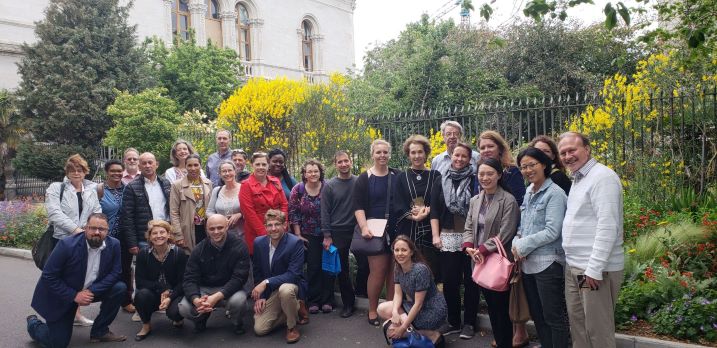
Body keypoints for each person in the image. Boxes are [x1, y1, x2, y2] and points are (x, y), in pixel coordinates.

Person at [558, 132, 624, 348]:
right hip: (575, 266)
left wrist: (594, 269)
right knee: (579, 327)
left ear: (587, 149)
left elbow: (608, 226)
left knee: (598, 331)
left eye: (572, 150)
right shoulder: (579, 178)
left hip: (594, 270)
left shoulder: (602, 177)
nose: (568, 156)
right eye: (563, 152)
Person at [27, 213, 127, 347]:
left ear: (107, 231)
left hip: (90, 290)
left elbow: (116, 273)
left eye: (102, 229)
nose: (97, 232)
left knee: (119, 288)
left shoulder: (114, 244)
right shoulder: (66, 245)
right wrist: (74, 295)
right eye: (93, 228)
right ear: (85, 228)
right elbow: (48, 276)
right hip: (63, 295)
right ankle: (34, 324)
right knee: (58, 343)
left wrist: (91, 291)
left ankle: (100, 331)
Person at [512, 147, 570, 348]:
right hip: (528, 264)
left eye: (531, 165)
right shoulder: (529, 191)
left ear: (544, 165)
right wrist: (515, 242)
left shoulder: (555, 193)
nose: (527, 170)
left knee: (553, 317)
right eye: (523, 167)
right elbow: (523, 225)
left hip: (548, 263)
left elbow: (553, 231)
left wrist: (523, 245)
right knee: (538, 316)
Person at [478, 130, 529, 346]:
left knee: (507, 296)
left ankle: (516, 334)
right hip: (484, 246)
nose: (486, 150)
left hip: (504, 245)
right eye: (482, 147)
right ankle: (503, 337)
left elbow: (517, 205)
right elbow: (478, 207)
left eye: (490, 146)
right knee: (493, 298)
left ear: (500, 147)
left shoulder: (512, 172)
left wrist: (487, 245)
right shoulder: (480, 172)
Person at [462, 158, 520, 348]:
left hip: (496, 261)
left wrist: (482, 250)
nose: (485, 178)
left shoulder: (508, 200)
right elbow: (469, 225)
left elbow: (506, 233)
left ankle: (505, 343)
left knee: (500, 309)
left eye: (489, 174)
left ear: (499, 175)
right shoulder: (475, 200)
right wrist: (469, 246)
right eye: (481, 174)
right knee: (492, 308)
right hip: (478, 259)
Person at [45, 154, 102, 326]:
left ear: (85, 172)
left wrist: (91, 229)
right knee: (59, 278)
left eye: (80, 170)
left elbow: (97, 212)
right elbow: (54, 213)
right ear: (67, 172)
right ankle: (55, 315)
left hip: (84, 240)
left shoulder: (91, 190)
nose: (76, 173)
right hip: (63, 240)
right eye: (72, 170)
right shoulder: (56, 188)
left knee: (79, 278)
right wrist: (77, 230)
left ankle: (76, 314)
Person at [430, 142, 480, 338]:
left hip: (472, 237)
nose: (459, 159)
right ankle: (453, 321)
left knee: (471, 281)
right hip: (448, 236)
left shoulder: (476, 179)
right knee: (450, 281)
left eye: (464, 156)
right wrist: (435, 235)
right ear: (451, 157)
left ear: (470, 159)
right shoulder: (440, 180)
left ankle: (469, 323)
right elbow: (434, 210)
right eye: (456, 155)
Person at [178, 215, 251, 335]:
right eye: (212, 229)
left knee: (239, 301)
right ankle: (201, 319)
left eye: (220, 227)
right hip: (204, 290)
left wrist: (215, 297)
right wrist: (196, 300)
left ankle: (237, 322)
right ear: (206, 229)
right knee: (184, 308)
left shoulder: (239, 246)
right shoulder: (199, 249)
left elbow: (239, 278)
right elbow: (189, 279)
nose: (216, 232)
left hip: (229, 289)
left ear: (227, 226)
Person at [353, 139, 399, 327]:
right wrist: (364, 227)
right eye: (378, 152)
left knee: (394, 275)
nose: (382, 156)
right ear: (372, 154)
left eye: (385, 152)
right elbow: (358, 206)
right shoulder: (365, 177)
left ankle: (389, 311)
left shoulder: (397, 175)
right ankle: (372, 309)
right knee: (378, 272)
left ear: (389, 154)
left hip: (396, 229)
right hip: (374, 230)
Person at [120, 152, 171, 314]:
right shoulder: (132, 187)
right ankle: (141, 309)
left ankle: (163, 302)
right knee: (142, 274)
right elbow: (127, 217)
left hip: (164, 235)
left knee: (165, 271)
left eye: (151, 162)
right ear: (139, 167)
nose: (148, 166)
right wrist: (132, 243)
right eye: (144, 163)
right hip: (144, 238)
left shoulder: (166, 183)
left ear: (157, 164)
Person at [377, 235, 447, 348]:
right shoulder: (397, 267)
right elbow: (398, 294)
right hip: (415, 306)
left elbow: (418, 304)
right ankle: (419, 334)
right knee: (382, 309)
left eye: (404, 250)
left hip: (432, 310)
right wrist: (395, 312)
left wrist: (403, 327)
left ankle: (433, 336)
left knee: (392, 329)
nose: (400, 253)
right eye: (397, 250)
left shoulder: (420, 270)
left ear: (411, 252)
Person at [252, 210, 309, 343]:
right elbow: (257, 271)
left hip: (292, 285)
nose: (273, 228)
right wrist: (261, 297)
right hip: (273, 291)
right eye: (269, 225)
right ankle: (294, 308)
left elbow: (293, 275)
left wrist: (266, 282)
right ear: (265, 227)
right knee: (260, 329)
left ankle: (291, 327)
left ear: (285, 225)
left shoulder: (295, 243)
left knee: (285, 290)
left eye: (277, 224)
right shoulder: (259, 243)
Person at [393, 135, 442, 278]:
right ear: (408, 155)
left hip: (430, 229)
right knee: (409, 270)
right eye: (413, 152)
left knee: (431, 270)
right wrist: (413, 216)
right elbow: (398, 204)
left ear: (426, 153)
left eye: (420, 152)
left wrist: (427, 210)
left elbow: (439, 201)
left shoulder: (435, 175)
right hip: (409, 230)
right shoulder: (402, 177)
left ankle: (430, 300)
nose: (417, 156)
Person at [289, 159, 333, 314]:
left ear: (320, 172)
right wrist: (298, 234)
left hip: (328, 233)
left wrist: (330, 234)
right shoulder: (298, 189)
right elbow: (294, 212)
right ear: (304, 174)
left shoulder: (328, 187)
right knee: (313, 267)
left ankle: (328, 300)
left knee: (328, 266)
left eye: (316, 171)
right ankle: (314, 300)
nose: (313, 174)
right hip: (308, 234)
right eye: (310, 171)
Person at [133, 220, 188, 341]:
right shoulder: (143, 254)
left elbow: (183, 282)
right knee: (141, 296)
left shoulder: (179, 254)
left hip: (174, 293)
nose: (159, 236)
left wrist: (170, 296)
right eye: (154, 233)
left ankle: (177, 318)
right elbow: (140, 281)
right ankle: (146, 325)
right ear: (149, 236)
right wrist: (162, 288)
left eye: (162, 232)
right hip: (154, 292)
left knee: (175, 312)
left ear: (169, 234)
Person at [320, 150, 358, 318]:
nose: (343, 164)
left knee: (365, 265)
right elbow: (325, 211)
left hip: (357, 230)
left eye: (346, 161)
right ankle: (348, 304)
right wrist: (327, 235)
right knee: (342, 270)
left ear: (351, 162)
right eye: (340, 162)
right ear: (335, 165)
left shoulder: (359, 181)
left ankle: (362, 294)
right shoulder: (329, 185)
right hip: (337, 232)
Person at [240, 152, 289, 255]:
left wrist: (282, 226)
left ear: (268, 166)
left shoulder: (275, 181)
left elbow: (284, 204)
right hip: (258, 232)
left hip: (278, 228)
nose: (261, 167)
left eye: (264, 164)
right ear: (252, 165)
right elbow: (249, 213)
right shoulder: (246, 185)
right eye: (257, 164)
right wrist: (266, 234)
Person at [170, 154, 213, 252]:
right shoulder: (177, 185)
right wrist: (178, 235)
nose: (193, 168)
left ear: (200, 166)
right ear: (185, 166)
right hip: (187, 229)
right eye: (189, 165)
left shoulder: (208, 183)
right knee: (190, 258)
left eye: (196, 165)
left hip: (205, 228)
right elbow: (174, 212)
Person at [207, 160, 244, 239]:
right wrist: (220, 219)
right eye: (224, 171)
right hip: (221, 235)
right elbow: (209, 211)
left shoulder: (244, 188)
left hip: (242, 235)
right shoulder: (217, 190)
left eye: (230, 170)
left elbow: (252, 209)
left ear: (235, 171)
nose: (227, 173)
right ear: (220, 174)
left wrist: (240, 215)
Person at [97, 159, 125, 240]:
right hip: (105, 237)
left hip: (126, 238)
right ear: (106, 172)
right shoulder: (99, 190)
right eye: (112, 171)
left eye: (119, 171)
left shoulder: (128, 189)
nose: (116, 173)